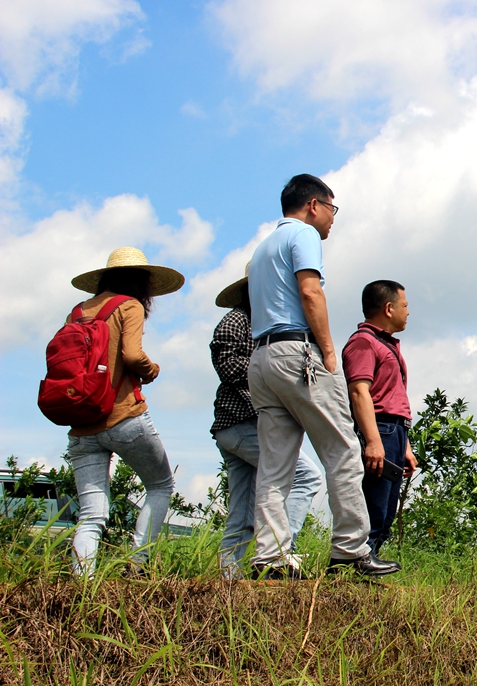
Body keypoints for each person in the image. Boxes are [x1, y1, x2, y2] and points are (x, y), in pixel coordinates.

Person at [246, 174, 398, 580]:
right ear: (314, 204)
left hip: (261, 358)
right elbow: (310, 291)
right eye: (333, 209)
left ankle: (270, 559)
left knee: (275, 467)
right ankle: (350, 549)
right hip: (298, 352)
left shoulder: (262, 248)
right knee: (344, 450)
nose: (333, 219)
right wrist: (328, 350)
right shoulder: (304, 235)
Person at [64, 247, 183, 576]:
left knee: (91, 515)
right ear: (142, 282)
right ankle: (136, 565)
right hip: (123, 417)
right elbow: (132, 355)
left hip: (82, 423)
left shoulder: (77, 312)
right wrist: (152, 368)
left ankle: (82, 584)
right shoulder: (128, 305)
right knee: (160, 484)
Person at [210, 263, 324, 578]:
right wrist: (272, 371)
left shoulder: (261, 325)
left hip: (238, 426)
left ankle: (229, 578)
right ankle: (278, 554)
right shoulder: (236, 322)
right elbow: (229, 369)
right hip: (242, 421)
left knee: (244, 508)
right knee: (306, 476)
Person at [343, 280, 418, 555]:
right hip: (380, 430)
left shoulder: (386, 345)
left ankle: (367, 565)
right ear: (389, 308)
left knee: (386, 512)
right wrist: (373, 441)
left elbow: (394, 397)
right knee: (373, 508)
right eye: (405, 305)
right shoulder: (363, 342)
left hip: (394, 431)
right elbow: (359, 393)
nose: (408, 312)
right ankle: (353, 567)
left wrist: (406, 445)